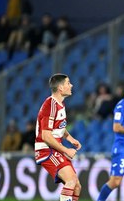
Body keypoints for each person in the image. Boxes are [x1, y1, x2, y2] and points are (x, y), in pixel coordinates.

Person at [34, 73, 82, 201]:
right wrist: (66, 150)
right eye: (68, 83)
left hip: (53, 149)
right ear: (60, 88)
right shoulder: (50, 105)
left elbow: (58, 126)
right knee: (71, 181)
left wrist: (69, 138)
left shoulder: (59, 104)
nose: (71, 85)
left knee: (77, 186)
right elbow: (46, 135)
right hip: (46, 150)